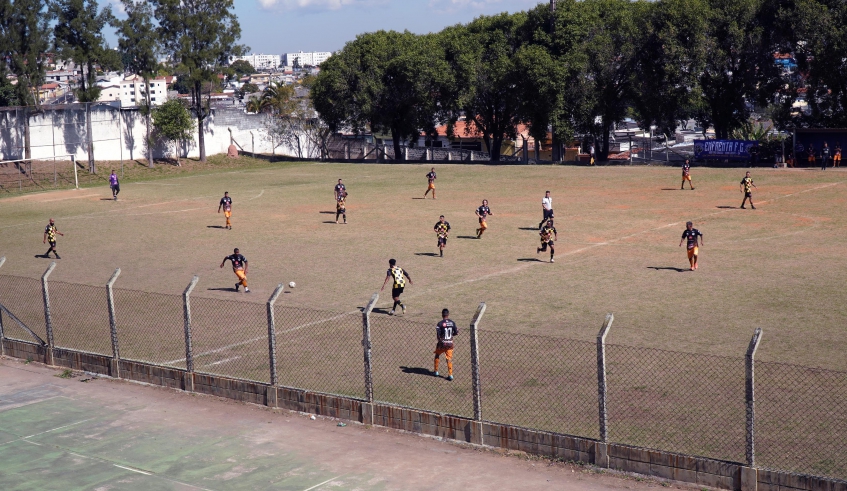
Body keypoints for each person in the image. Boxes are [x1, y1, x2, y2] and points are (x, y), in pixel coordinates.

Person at [433, 308, 458, 381]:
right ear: (448, 314)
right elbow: (456, 332)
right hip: (450, 344)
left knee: (437, 355)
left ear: (442, 315)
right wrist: (451, 336)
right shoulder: (452, 323)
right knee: (449, 359)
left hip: (442, 343)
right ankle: (450, 375)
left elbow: (438, 335)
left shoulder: (440, 323)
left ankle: (436, 371)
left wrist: (440, 341)